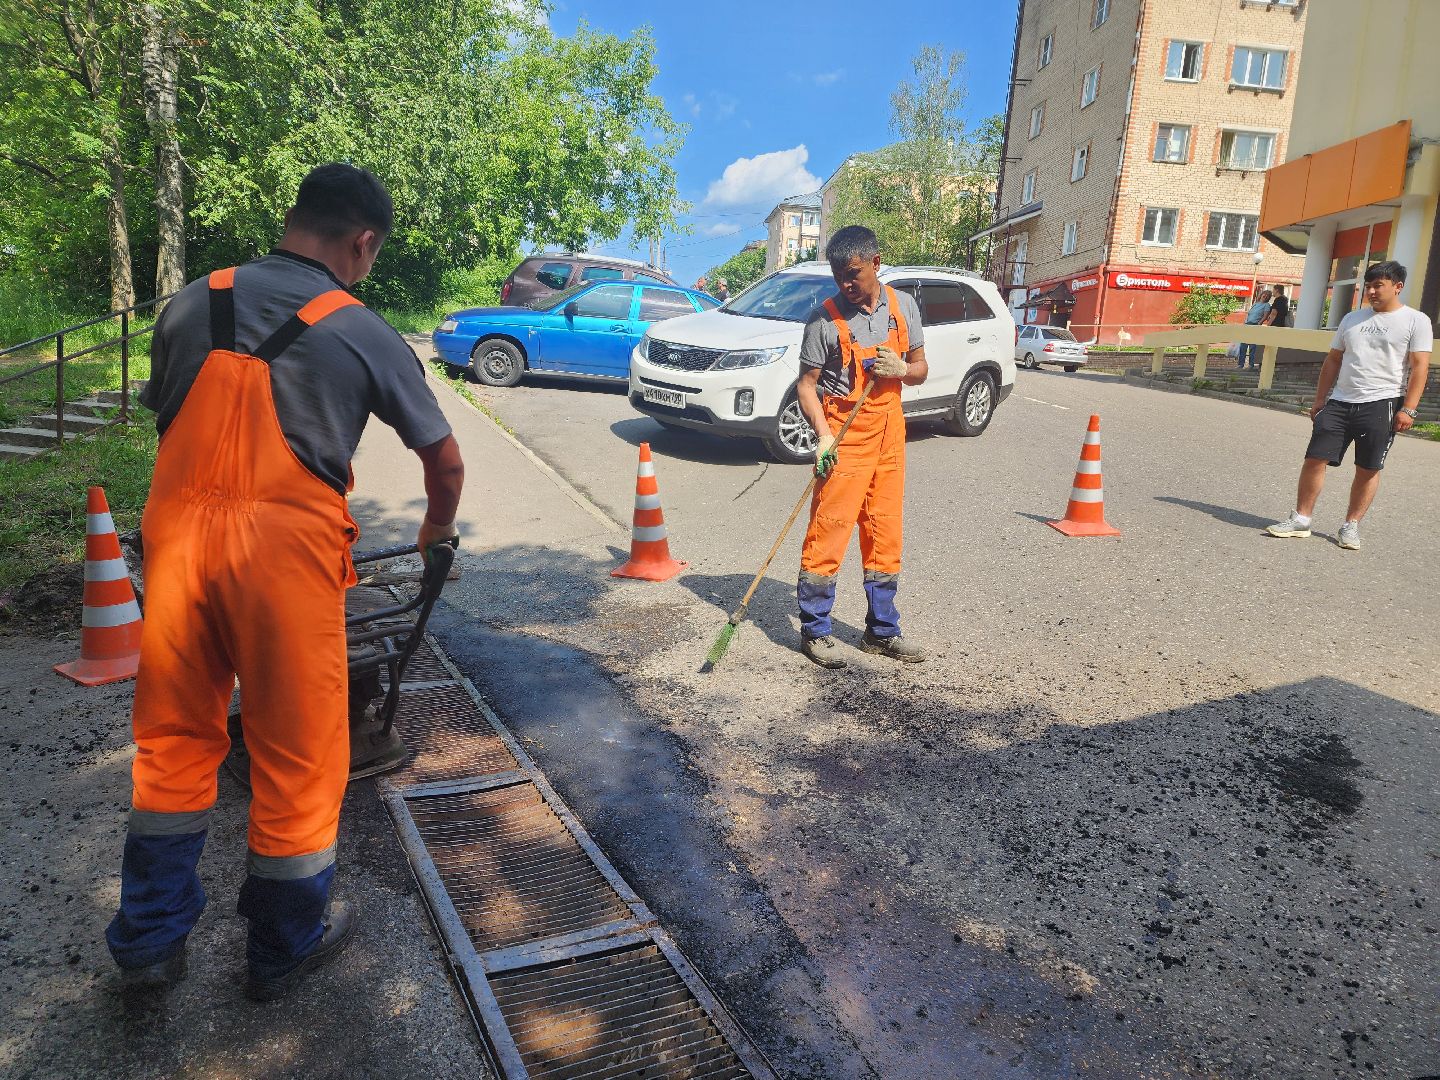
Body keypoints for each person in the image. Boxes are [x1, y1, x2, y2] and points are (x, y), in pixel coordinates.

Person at [106, 164, 466, 1000]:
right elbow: (442, 458)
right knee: (299, 752)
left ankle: (150, 944)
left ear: (292, 218)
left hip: (179, 547)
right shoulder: (362, 326)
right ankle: (282, 945)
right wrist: (435, 528)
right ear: (362, 242)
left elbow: (167, 412)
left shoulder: (194, 299)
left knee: (174, 739)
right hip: (285, 562)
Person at [795, 225, 928, 667]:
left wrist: (902, 371)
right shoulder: (823, 320)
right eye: (838, 276)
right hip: (845, 433)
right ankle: (815, 631)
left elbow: (921, 367)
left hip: (890, 431)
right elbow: (806, 387)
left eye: (853, 274)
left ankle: (882, 631)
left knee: (884, 531)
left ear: (876, 263)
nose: (846, 285)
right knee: (829, 529)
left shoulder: (903, 306)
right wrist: (824, 435)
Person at [1266, 260, 1431, 550]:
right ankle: (1301, 519)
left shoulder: (1416, 321)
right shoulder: (1351, 319)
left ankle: (1350, 526)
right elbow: (1333, 359)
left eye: (1378, 285)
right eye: (1368, 286)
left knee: (1367, 468)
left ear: (1398, 286)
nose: (1371, 291)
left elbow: (1420, 367)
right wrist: (1320, 399)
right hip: (1340, 401)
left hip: (1382, 403)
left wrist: (1409, 408)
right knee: (1315, 458)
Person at [1238, 289, 1272, 370]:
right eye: (1265, 294)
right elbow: (1249, 314)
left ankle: (1251, 364)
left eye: (1268, 295)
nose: (1265, 296)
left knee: (1252, 346)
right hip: (1247, 325)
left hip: (1255, 325)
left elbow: (1265, 316)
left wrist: (1259, 323)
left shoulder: (1266, 305)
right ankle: (1240, 364)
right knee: (1243, 345)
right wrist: (1245, 322)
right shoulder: (1255, 303)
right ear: (1261, 294)